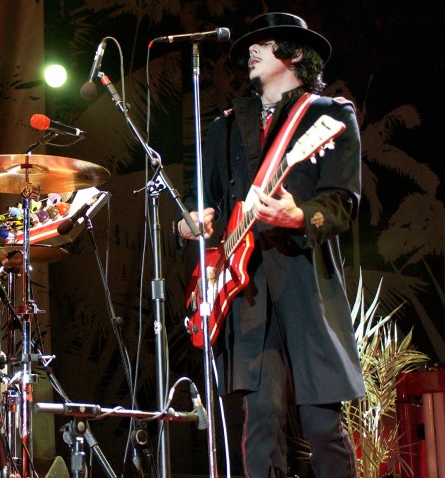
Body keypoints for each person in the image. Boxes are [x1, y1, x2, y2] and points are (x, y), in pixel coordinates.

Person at [176, 12, 365, 477]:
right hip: (246, 291)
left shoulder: (328, 115)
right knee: (259, 427)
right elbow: (204, 203)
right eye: (249, 46)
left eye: (264, 43)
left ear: (295, 54)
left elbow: (342, 201)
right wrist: (189, 224)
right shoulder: (223, 126)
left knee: (323, 425)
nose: (250, 52)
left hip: (305, 283)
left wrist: (298, 214)